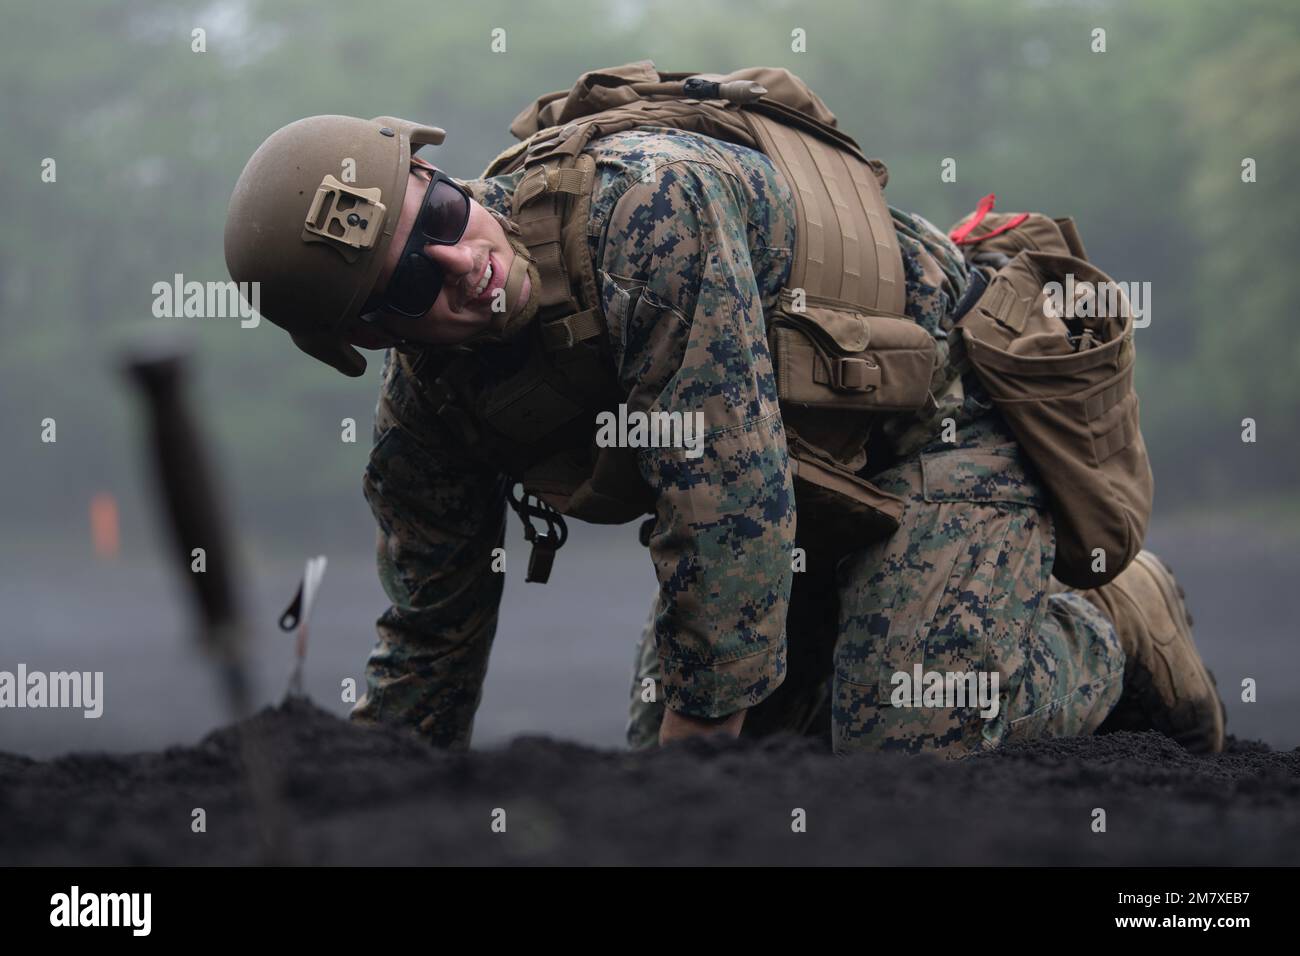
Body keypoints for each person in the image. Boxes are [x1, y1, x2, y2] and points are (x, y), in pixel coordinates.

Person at [224, 65, 1225, 755]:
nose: (462, 266)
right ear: (371, 340)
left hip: (945, 408)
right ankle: (884, 626)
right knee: (735, 739)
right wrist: (356, 792)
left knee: (903, 740)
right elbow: (430, 636)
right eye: (407, 284)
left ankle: (1106, 625)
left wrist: (698, 759)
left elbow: (724, 507)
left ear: (441, 175)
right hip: (806, 474)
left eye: (440, 216)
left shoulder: (647, 213)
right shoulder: (430, 419)